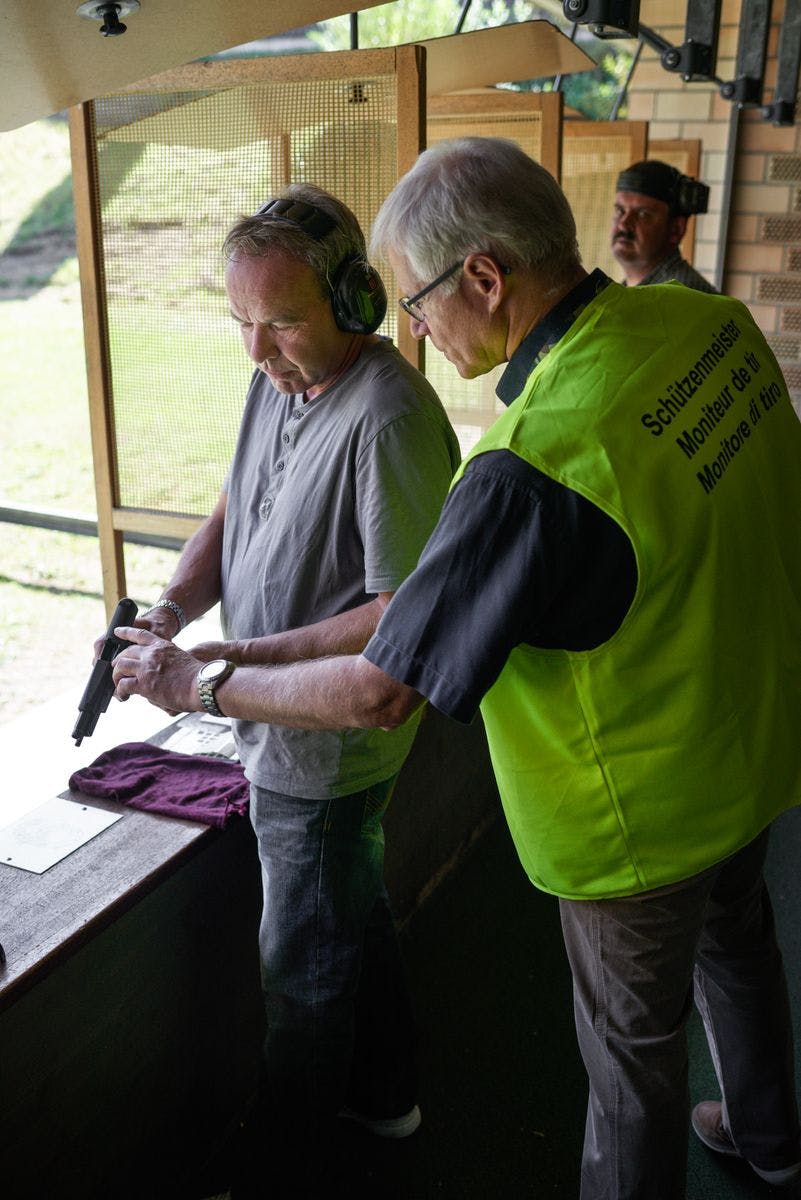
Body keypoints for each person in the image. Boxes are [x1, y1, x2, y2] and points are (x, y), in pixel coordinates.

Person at [113, 138, 801, 1199]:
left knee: (631, 1066)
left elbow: (386, 685)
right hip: (754, 748)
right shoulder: (710, 325)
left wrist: (201, 685)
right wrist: (231, 645)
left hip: (639, 816)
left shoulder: (532, 462)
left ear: (486, 275)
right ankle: (771, 1132)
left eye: (419, 301)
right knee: (740, 944)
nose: (415, 331)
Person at [107, 183, 461, 1196]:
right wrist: (175, 606)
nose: (256, 351)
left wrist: (226, 667)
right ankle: (387, 1096)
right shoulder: (279, 379)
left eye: (282, 322)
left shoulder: (389, 417)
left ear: (355, 300)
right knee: (350, 917)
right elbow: (234, 502)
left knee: (302, 980)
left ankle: (279, 1170)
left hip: (323, 745)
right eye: (242, 324)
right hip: (274, 721)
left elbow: (397, 615)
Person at [611, 158, 719, 292]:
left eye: (643, 214)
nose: (623, 225)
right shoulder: (630, 292)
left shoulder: (685, 296)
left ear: (676, 230)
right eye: (620, 211)